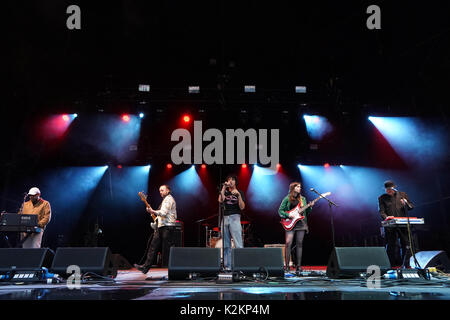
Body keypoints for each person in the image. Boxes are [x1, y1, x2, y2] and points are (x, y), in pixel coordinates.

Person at [134, 185, 177, 274]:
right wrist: (152, 212)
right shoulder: (164, 200)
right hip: (161, 226)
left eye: (162, 190)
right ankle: (145, 268)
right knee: (153, 246)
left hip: (168, 227)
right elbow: (160, 214)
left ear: (168, 190)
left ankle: (174, 269)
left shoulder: (169, 199)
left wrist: (153, 211)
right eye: (159, 190)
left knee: (167, 249)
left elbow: (164, 213)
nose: (160, 192)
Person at [278, 182, 314, 275]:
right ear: (292, 188)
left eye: (300, 187)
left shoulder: (303, 199)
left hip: (301, 223)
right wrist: (288, 215)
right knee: (289, 243)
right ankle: (287, 266)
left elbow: (306, 212)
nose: (299, 188)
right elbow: (280, 210)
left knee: (299, 244)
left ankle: (298, 266)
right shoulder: (287, 198)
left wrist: (310, 207)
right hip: (290, 223)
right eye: (297, 186)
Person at [378, 180, 414, 267]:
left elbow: (411, 207)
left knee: (405, 244)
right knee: (391, 245)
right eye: (386, 189)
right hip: (390, 224)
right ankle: (390, 265)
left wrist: (406, 203)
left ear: (394, 188)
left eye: (389, 189)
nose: (388, 191)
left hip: (402, 223)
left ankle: (406, 264)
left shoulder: (402, 195)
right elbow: (381, 211)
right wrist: (386, 217)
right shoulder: (382, 198)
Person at [218, 174, 245, 270]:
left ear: (235, 182)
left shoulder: (240, 192)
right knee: (226, 245)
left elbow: (242, 207)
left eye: (232, 180)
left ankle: (240, 266)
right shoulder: (224, 192)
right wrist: (223, 187)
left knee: (238, 243)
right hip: (225, 218)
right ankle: (227, 266)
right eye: (229, 180)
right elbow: (220, 200)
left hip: (235, 217)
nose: (230, 181)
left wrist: (238, 196)